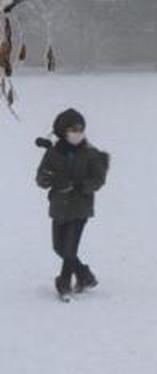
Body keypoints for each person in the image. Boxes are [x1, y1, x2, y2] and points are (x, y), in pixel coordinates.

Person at [35, 108, 110, 301]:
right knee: (58, 247)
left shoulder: (91, 154)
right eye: (72, 129)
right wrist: (52, 180)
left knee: (70, 248)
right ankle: (85, 276)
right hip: (59, 207)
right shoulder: (53, 153)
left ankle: (64, 283)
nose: (77, 133)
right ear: (62, 131)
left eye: (80, 129)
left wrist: (81, 186)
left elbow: (98, 179)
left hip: (80, 207)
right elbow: (41, 178)